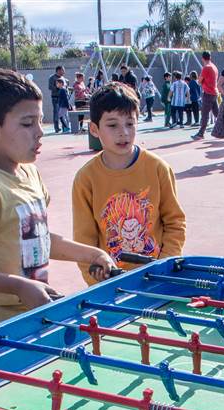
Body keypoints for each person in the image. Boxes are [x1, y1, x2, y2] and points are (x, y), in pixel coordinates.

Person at [0, 69, 115, 333]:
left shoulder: (29, 173)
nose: (40, 133)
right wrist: (18, 286)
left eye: (40, 121)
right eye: (27, 124)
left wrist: (92, 254)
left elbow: (36, 239)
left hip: (26, 323)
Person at [72, 82, 186, 284]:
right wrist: (95, 274)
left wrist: (164, 267)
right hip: (111, 285)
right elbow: (84, 239)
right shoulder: (86, 178)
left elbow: (175, 223)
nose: (123, 132)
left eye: (130, 123)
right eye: (113, 125)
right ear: (94, 129)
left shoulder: (158, 168)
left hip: (157, 280)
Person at [193, 50, 219, 139]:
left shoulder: (206, 67)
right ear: (210, 57)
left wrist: (201, 81)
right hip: (214, 92)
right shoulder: (214, 67)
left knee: (205, 114)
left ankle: (201, 133)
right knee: (217, 113)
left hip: (208, 93)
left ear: (202, 58)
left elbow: (199, 81)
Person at [48, 65, 67, 133]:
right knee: (56, 113)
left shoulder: (63, 78)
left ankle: (65, 127)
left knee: (63, 113)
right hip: (56, 98)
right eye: (63, 70)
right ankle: (57, 128)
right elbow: (50, 87)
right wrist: (58, 87)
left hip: (63, 98)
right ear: (58, 70)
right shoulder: (52, 78)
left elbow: (65, 86)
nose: (64, 71)